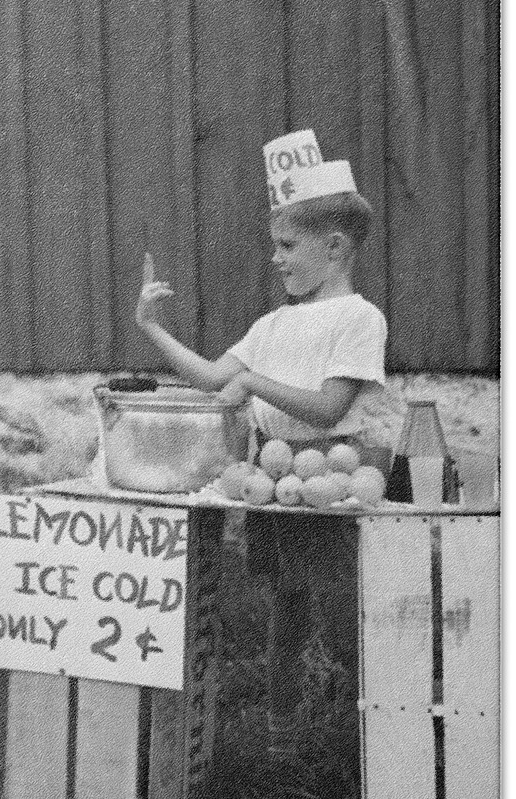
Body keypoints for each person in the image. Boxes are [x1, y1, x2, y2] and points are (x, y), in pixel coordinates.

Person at [136, 129, 387, 758]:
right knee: (285, 610)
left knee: (342, 615)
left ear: (335, 248)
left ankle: (374, 738)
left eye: (287, 246)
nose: (276, 258)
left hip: (335, 477)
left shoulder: (360, 318)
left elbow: (330, 408)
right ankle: (282, 741)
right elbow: (214, 379)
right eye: (275, 245)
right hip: (277, 483)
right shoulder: (272, 323)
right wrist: (151, 328)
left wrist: (253, 382)